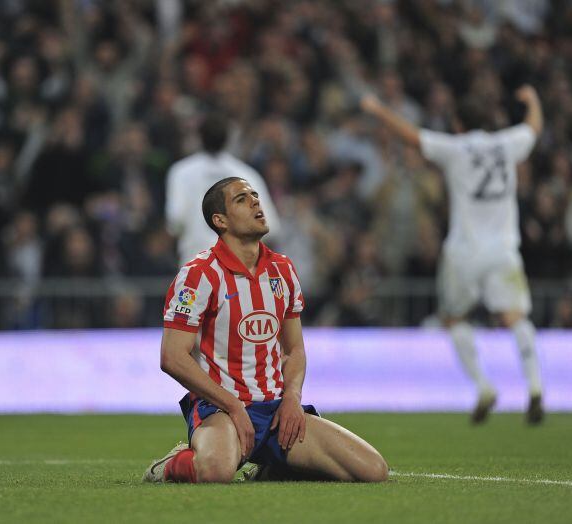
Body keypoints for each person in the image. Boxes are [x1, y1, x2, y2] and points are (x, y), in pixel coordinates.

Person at [143, 177, 388, 483]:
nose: (256, 202)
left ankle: (273, 467)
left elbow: (294, 349)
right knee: (216, 472)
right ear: (220, 220)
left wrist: (292, 398)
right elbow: (172, 357)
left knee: (373, 471)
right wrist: (232, 405)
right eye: (241, 199)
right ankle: (169, 465)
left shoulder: (282, 269)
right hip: (219, 408)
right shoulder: (199, 274)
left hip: (275, 408)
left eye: (255, 195)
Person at [360, 85, 545, 424]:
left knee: (453, 319)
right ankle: (534, 385)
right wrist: (532, 101)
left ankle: (484, 386)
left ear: (459, 123)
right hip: (504, 249)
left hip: (464, 252)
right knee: (515, 317)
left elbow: (412, 137)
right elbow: (533, 128)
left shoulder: (456, 148)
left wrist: (377, 109)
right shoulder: (507, 145)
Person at [165, 113, 281, 266]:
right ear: (228, 139)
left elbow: (175, 220)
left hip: (196, 266)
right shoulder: (246, 174)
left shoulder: (181, 172)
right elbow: (271, 226)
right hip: (238, 266)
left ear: (199, 137)